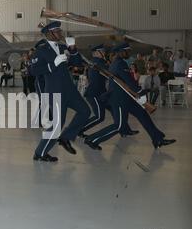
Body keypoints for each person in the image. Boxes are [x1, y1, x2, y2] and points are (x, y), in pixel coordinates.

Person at [84, 43, 176, 151]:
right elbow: (129, 81)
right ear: (121, 51)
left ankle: (158, 139)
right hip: (118, 99)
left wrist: (139, 93)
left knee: (142, 114)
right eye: (127, 50)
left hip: (126, 97)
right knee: (119, 126)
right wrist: (141, 92)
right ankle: (92, 139)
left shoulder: (118, 62)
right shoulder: (119, 64)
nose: (129, 52)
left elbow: (126, 82)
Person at [29, 21, 91, 162]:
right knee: (57, 125)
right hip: (55, 91)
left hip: (69, 90)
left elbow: (77, 64)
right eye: (57, 31)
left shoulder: (63, 47)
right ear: (49, 34)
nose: (60, 33)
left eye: (60, 31)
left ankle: (66, 138)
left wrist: (73, 49)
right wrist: (52, 65)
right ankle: (40, 153)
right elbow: (33, 71)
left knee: (85, 111)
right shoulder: (42, 50)